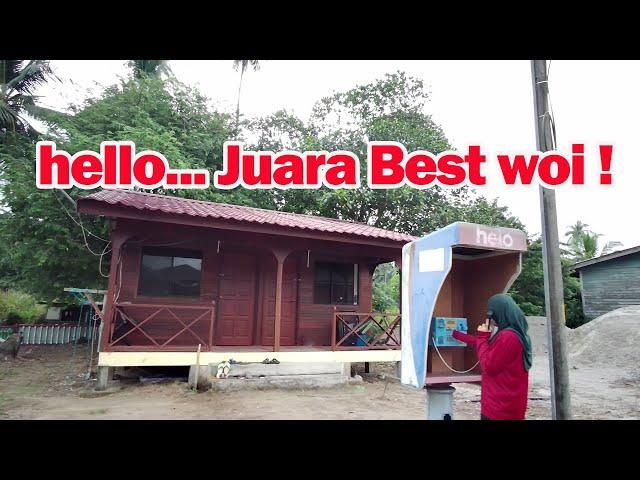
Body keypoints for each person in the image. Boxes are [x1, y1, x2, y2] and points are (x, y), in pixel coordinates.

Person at [452, 294, 532, 420]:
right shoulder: (516, 333)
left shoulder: (508, 337)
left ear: (498, 314)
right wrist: (456, 334)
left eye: (491, 315)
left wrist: (483, 336)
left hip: (500, 409)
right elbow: (486, 345)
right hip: (506, 405)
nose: (490, 319)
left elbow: (488, 365)